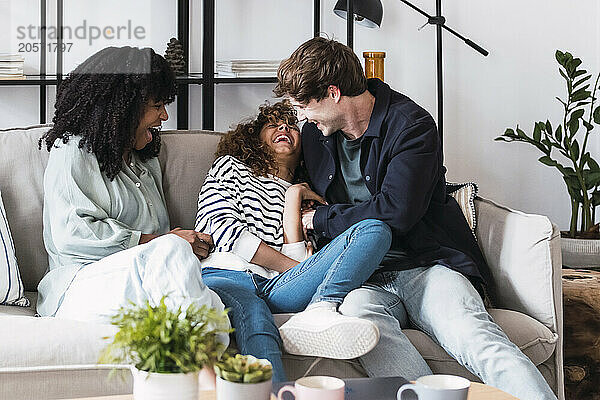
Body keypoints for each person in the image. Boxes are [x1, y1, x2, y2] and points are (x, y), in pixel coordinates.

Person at [274, 37, 557, 400]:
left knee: (475, 338)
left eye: (304, 106)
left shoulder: (411, 125)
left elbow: (397, 212)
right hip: (367, 277)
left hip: (426, 265)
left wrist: (323, 219)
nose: (301, 118)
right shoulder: (316, 135)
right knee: (362, 324)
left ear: (332, 92)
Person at [36, 46, 227, 348]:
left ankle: (197, 374)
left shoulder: (144, 160)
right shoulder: (73, 150)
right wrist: (163, 242)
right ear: (125, 107)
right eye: (157, 106)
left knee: (220, 286)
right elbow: (71, 235)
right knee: (174, 253)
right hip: (78, 289)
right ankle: (210, 371)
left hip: (140, 286)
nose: (164, 115)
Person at [195, 100, 392, 382]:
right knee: (254, 314)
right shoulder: (231, 168)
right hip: (228, 275)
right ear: (255, 138)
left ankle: (319, 308)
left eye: (291, 125)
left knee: (374, 230)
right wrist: (296, 270)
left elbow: (301, 261)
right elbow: (226, 233)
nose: (284, 127)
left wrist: (292, 200)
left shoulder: (309, 197)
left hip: (278, 288)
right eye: (273, 124)